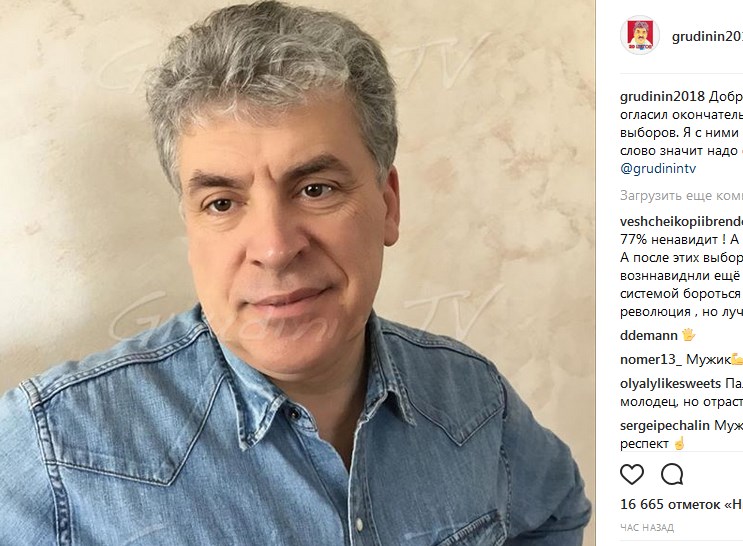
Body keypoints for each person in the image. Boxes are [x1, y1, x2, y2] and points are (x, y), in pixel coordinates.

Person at [0, 1, 591, 544]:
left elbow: (556, 513)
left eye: (316, 189)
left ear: (388, 205)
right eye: (222, 203)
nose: (275, 248)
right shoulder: (52, 448)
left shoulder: (475, 398)